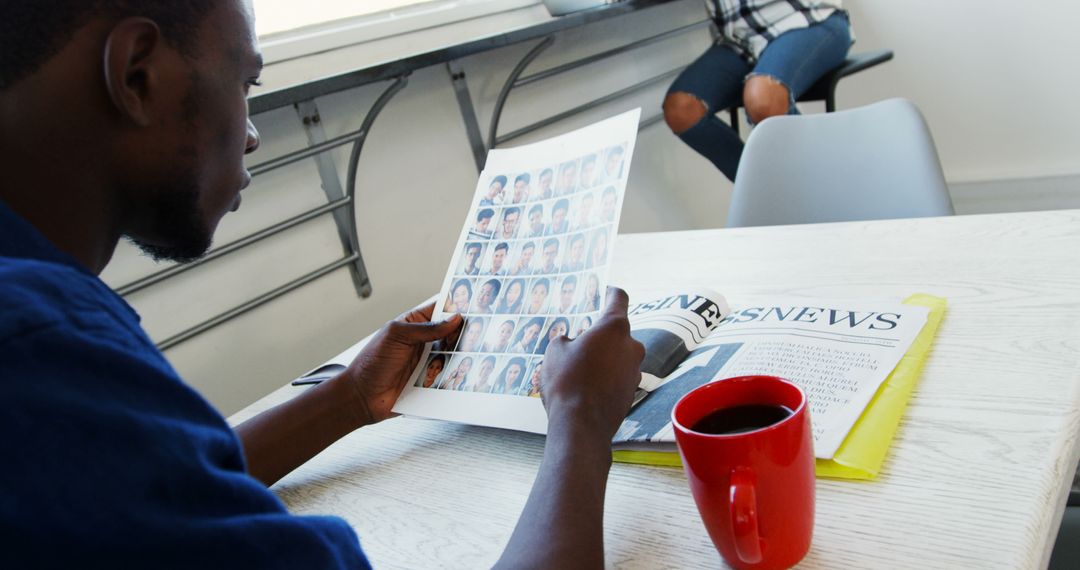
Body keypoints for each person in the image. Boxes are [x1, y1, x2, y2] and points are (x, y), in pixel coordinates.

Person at [0, 1, 645, 567]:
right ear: (138, 74)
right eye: (245, 82)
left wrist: (352, 398)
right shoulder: (39, 353)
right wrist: (580, 421)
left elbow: (142, 485)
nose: (250, 134)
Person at [663, 1, 852, 182]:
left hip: (807, 18)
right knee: (682, 109)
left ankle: (829, 193)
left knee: (763, 100)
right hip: (738, 40)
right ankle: (771, 196)